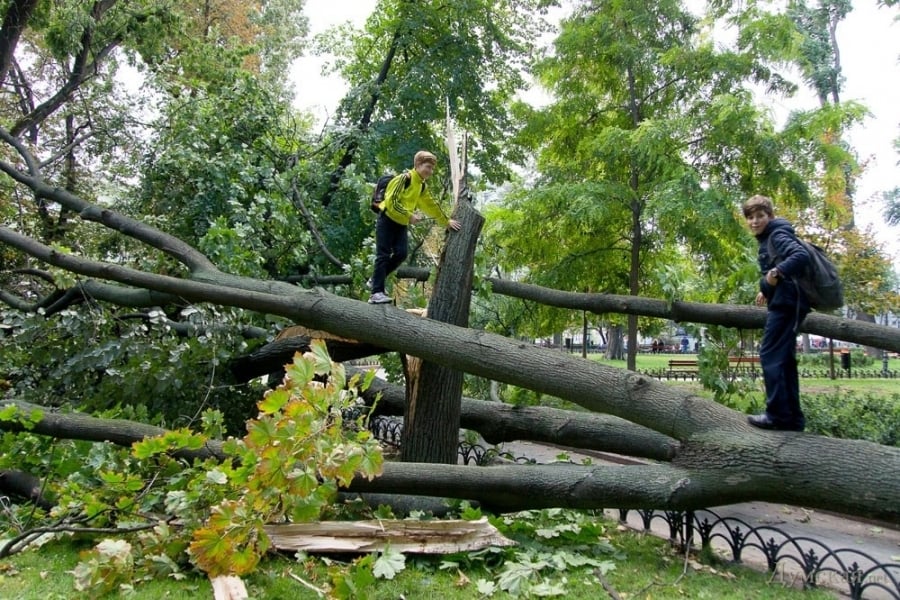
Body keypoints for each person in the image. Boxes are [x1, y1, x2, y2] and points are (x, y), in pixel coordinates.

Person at [742, 194, 810, 431]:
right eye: (750, 217)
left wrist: (775, 273)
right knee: (785, 359)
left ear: (770, 216)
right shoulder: (770, 237)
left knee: (770, 355)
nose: (754, 221)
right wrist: (768, 289)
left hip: (787, 305)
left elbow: (801, 256)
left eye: (760, 216)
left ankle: (777, 415)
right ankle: (793, 418)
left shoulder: (777, 234)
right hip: (785, 301)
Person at [368, 150, 461, 304]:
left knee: (401, 254)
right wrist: (409, 215)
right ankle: (376, 293)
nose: (430, 171)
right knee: (383, 255)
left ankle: (376, 279)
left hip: (401, 224)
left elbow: (431, 205)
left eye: (432, 168)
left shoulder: (421, 186)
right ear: (417, 165)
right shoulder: (404, 179)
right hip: (387, 220)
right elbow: (391, 203)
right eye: (427, 167)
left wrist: (446, 221)